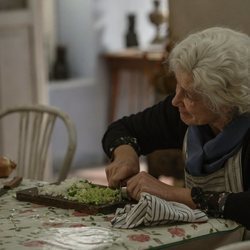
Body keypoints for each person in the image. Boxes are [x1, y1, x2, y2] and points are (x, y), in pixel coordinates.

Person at [102, 27, 250, 229]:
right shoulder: (184, 115)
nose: (175, 100)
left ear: (224, 101)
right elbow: (123, 129)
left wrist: (172, 194)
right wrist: (125, 156)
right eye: (177, 87)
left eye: (189, 94)